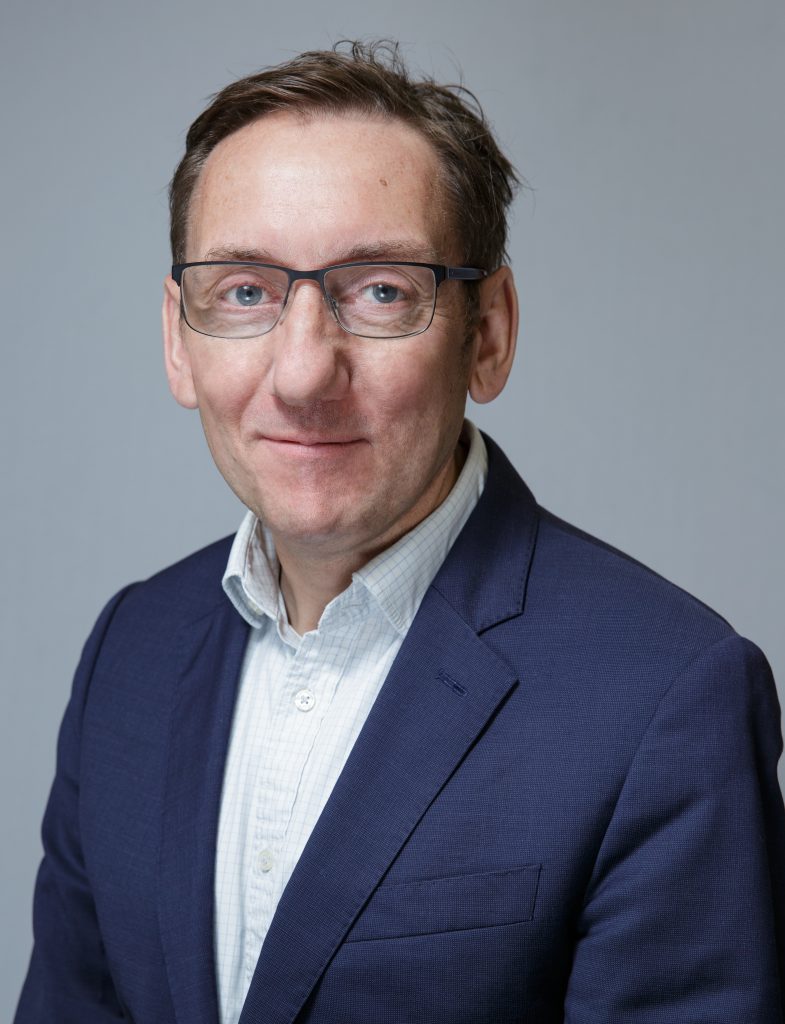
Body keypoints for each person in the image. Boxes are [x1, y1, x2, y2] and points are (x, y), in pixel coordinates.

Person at [15, 40, 785, 1024]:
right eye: (243, 292)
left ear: (489, 332)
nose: (300, 372)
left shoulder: (666, 701)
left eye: (379, 290)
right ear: (178, 339)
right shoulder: (132, 648)